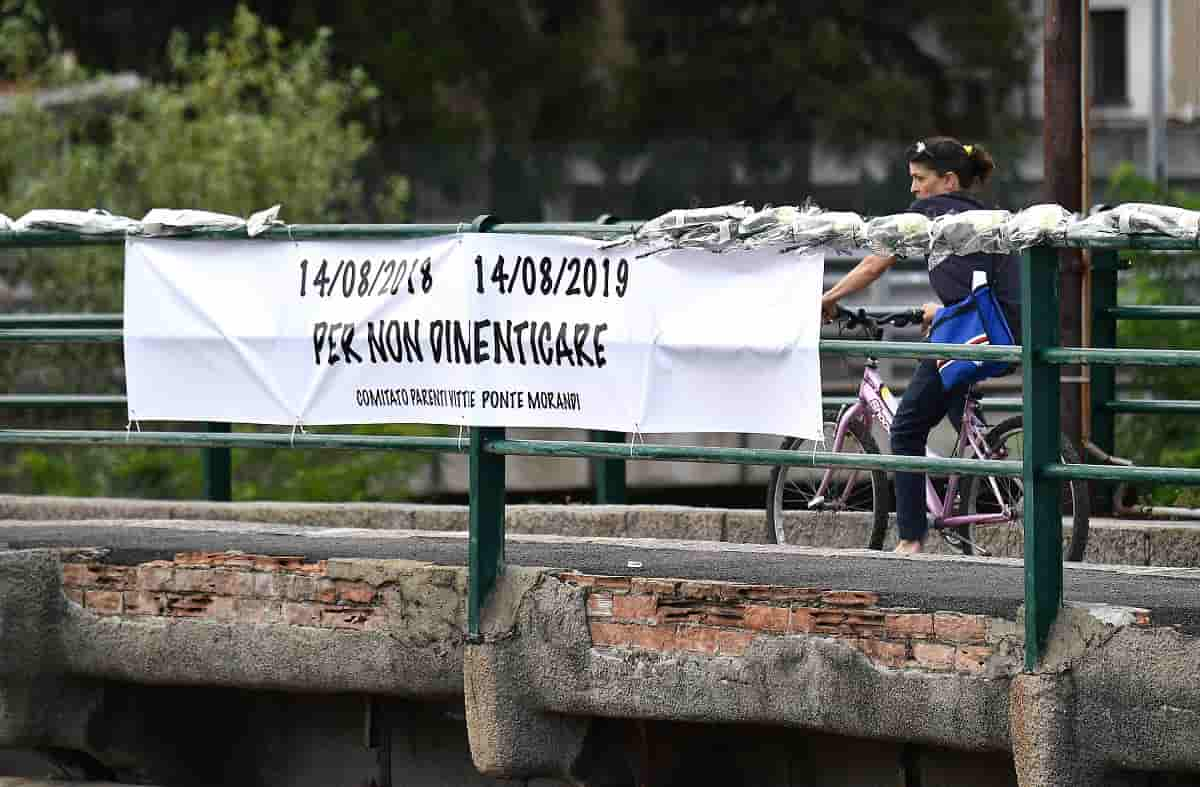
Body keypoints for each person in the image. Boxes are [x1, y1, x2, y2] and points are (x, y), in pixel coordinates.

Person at [819, 136, 1020, 554]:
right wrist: (940, 311)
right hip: (1000, 327)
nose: (913, 189)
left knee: (907, 429)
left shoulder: (932, 211)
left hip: (976, 333)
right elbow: (973, 277)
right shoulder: (975, 214)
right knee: (949, 399)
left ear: (947, 180)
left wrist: (830, 299)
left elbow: (876, 262)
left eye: (920, 179)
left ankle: (911, 538)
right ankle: (977, 470)